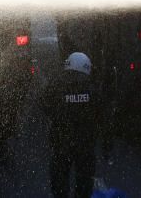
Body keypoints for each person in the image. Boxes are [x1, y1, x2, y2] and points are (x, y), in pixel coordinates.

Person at [40, 51, 100, 197]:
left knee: (59, 180)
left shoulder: (56, 84)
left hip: (61, 142)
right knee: (84, 181)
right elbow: (100, 112)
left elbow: (44, 105)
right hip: (85, 144)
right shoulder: (92, 87)